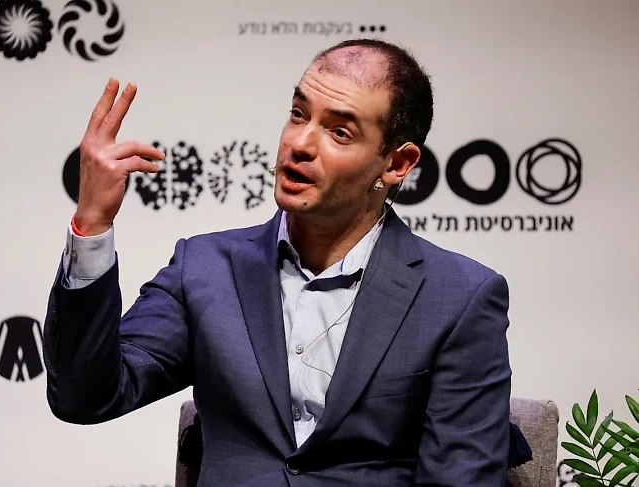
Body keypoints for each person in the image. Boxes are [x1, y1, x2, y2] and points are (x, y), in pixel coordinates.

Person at [42, 38, 512, 486]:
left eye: (339, 132)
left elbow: (460, 476)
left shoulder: (458, 298)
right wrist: (92, 224)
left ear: (396, 163)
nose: (300, 143)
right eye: (298, 114)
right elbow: (85, 396)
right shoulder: (206, 268)